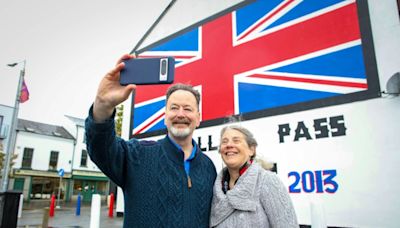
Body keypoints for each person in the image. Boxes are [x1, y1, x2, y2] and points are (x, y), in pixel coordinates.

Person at [85, 54, 217, 227]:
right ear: (165, 117)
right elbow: (100, 148)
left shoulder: (209, 167)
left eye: (188, 109)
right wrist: (103, 105)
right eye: (174, 108)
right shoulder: (136, 155)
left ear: (198, 118)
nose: (180, 114)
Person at [210, 125, 298, 227]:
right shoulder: (215, 188)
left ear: (251, 150)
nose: (229, 145)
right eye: (224, 141)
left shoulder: (267, 181)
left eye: (236, 140)